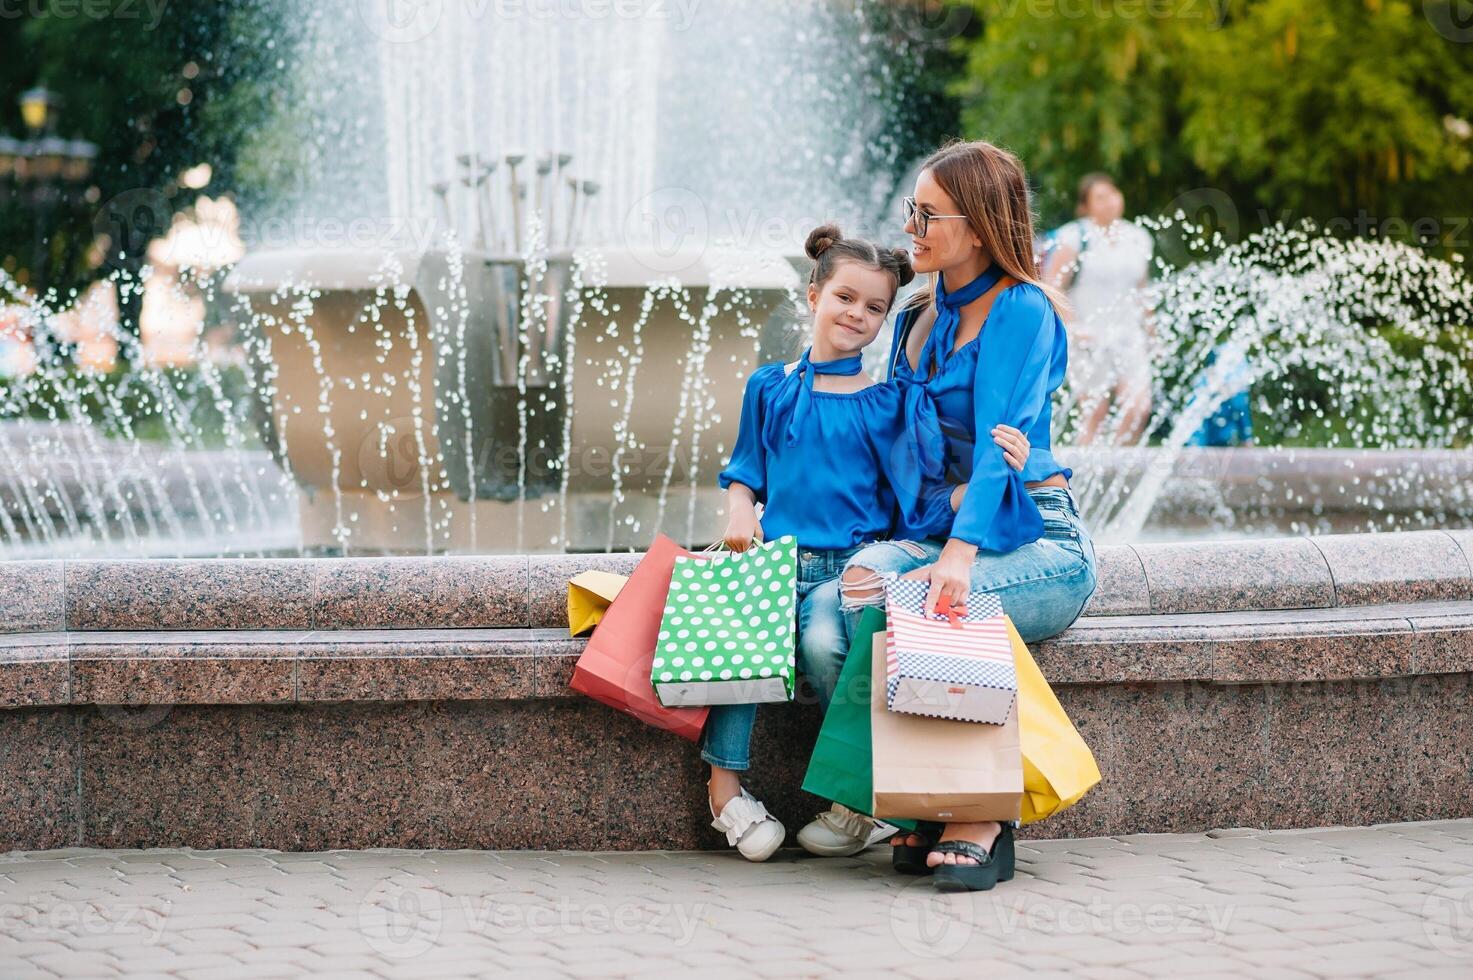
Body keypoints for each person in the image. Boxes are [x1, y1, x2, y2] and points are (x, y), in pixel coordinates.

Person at [795, 139, 1099, 893]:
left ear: (979, 225)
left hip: (1036, 537)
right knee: (828, 617)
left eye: (928, 214)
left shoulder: (1021, 311)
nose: (913, 227)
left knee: (929, 609)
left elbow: (1003, 449)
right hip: (939, 527)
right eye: (912, 211)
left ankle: (979, 815)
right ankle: (913, 802)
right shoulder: (916, 319)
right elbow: (896, 446)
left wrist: (957, 555)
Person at [708, 223, 1032, 862]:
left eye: (875, 307)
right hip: (773, 561)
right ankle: (725, 790)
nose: (858, 314)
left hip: (845, 569)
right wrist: (740, 510)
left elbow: (920, 503)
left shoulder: (890, 404)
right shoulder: (768, 387)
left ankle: (860, 798)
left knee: (825, 642)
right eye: (845, 298)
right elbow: (745, 472)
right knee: (739, 638)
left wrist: (985, 483)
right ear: (813, 295)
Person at [1043, 173, 1155, 445]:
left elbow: (1143, 289)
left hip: (1129, 336)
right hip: (1088, 336)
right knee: (1095, 413)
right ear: (1085, 206)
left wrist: (1152, 332)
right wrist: (1073, 326)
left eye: (1113, 194)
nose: (1110, 202)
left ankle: (1115, 471)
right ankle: (1086, 477)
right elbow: (1052, 286)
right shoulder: (1075, 236)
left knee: (1138, 409)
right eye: (1100, 198)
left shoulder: (1138, 237)